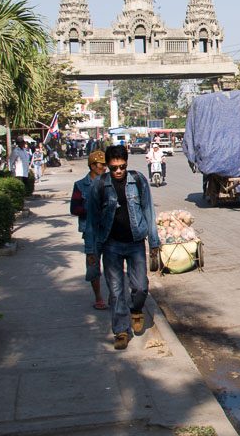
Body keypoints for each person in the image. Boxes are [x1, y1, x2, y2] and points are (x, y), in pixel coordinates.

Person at [85, 145, 160, 350]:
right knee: (116, 291)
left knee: (140, 287)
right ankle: (121, 330)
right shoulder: (99, 185)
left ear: (127, 164)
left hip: (135, 243)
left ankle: (136, 309)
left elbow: (148, 210)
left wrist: (154, 242)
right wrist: (91, 250)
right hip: (111, 245)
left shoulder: (138, 181)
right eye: (114, 168)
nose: (118, 171)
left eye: (122, 167)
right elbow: (91, 220)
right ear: (108, 167)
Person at [71, 150, 109, 310]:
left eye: (105, 165)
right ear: (92, 166)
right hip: (91, 232)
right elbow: (74, 208)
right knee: (93, 266)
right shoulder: (80, 185)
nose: (104, 168)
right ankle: (98, 297)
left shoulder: (110, 183)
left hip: (109, 230)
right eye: (101, 165)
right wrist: (91, 208)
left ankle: (115, 295)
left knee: (113, 265)